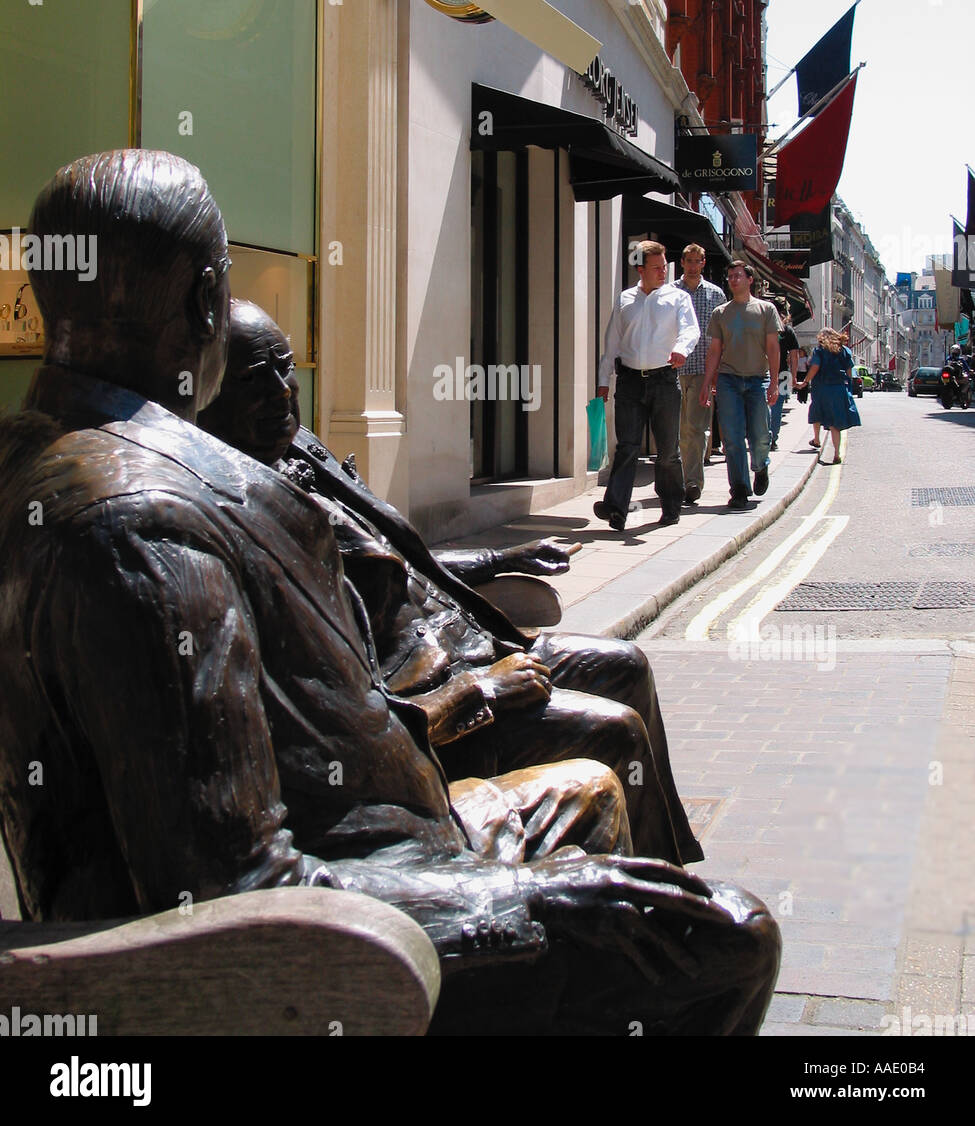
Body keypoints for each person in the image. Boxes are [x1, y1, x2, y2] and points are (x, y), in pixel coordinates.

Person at [0, 150, 779, 1036]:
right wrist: (524, 905)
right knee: (726, 936)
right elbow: (237, 901)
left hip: (380, 833)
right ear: (202, 302)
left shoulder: (47, 453)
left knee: (591, 789)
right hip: (330, 926)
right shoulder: (141, 518)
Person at [199, 300, 704, 865]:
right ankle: (654, 902)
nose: (281, 393)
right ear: (205, 393)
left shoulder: (304, 452)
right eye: (251, 379)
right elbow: (327, 714)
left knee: (628, 665)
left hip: (467, 643)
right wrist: (479, 690)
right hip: (431, 697)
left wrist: (500, 557)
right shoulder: (239, 512)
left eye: (285, 368)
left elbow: (409, 559)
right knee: (617, 731)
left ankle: (671, 869)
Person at [594, 240, 699, 530]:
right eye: (656, 268)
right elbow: (611, 342)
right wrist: (604, 380)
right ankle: (616, 508)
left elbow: (691, 329)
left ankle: (671, 505)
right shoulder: (625, 299)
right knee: (627, 447)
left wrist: (681, 349)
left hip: (664, 380)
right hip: (628, 381)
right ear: (641, 269)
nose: (662, 272)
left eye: (664, 267)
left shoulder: (678, 299)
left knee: (667, 451)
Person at [699, 259, 780, 512]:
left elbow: (773, 348)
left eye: (738, 276)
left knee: (759, 435)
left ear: (750, 280)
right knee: (732, 438)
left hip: (757, 379)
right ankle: (740, 490)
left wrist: (775, 382)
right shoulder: (721, 313)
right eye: (730, 276)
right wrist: (706, 383)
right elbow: (714, 351)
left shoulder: (766, 309)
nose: (733, 280)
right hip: (728, 380)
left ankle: (761, 465)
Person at [674, 243, 725, 503]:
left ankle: (692, 483)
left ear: (704, 263)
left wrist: (716, 373)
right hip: (673, 371)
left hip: (702, 372)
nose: (693, 266)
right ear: (682, 263)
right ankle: (677, 480)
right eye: (689, 261)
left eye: (698, 261)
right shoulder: (670, 292)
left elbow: (722, 337)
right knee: (677, 430)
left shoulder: (716, 295)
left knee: (695, 428)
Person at [795, 328, 860, 465]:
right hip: (839, 388)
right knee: (835, 424)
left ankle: (817, 439)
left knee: (817, 411)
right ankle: (836, 454)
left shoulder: (819, 351)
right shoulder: (844, 351)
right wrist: (847, 387)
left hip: (822, 388)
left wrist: (805, 382)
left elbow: (815, 367)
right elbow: (849, 371)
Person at [769, 298, 800, 450]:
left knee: (764, 406)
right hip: (783, 374)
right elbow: (794, 355)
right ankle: (773, 437)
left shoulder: (765, 326)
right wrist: (794, 376)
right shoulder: (788, 330)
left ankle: (765, 436)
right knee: (777, 406)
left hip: (764, 371)